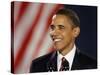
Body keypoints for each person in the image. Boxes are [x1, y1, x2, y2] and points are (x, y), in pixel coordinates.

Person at [30, 8, 97, 73]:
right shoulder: (37, 65)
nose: (53, 33)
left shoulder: (93, 66)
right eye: (52, 28)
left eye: (61, 27)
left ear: (75, 32)